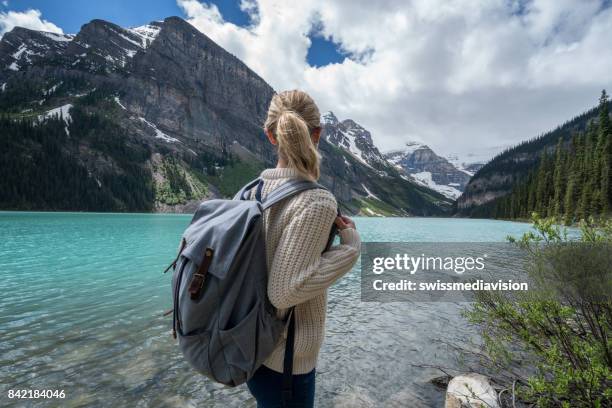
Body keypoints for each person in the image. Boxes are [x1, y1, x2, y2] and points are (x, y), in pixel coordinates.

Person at [245, 90, 361, 407]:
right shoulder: (316, 200)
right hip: (286, 361)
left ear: (270, 135)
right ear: (318, 134)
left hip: (249, 346)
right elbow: (284, 291)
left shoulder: (251, 191)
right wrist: (349, 248)